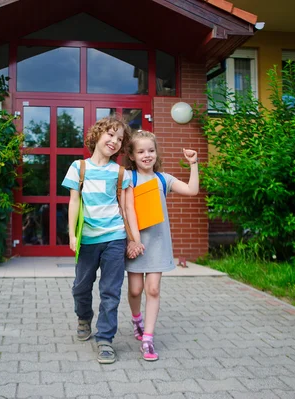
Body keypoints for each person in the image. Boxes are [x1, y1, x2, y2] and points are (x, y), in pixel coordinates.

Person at [61, 116, 142, 364]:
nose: (114, 141)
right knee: (81, 286)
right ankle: (84, 317)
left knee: (110, 291)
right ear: (97, 135)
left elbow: (128, 209)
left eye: (119, 139)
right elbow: (74, 201)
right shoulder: (78, 168)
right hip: (87, 238)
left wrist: (133, 240)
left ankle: (105, 339)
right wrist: (72, 234)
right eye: (110, 134)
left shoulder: (120, 173)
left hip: (114, 237)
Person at [124, 130, 199, 361]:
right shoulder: (128, 178)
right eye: (141, 151)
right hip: (135, 244)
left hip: (158, 244)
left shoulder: (163, 179)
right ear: (132, 156)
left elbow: (192, 190)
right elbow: (125, 211)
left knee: (153, 289)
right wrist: (131, 240)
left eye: (151, 150)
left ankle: (148, 338)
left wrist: (194, 164)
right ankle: (137, 319)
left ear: (156, 153)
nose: (147, 155)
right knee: (135, 289)